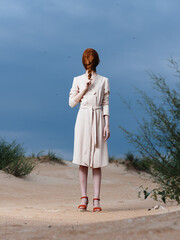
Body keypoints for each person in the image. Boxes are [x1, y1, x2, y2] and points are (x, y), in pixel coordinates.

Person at [69, 48, 110, 212]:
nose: (89, 66)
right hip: (83, 118)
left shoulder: (104, 80)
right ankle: (84, 197)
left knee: (97, 161)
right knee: (82, 159)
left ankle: (96, 199)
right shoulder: (77, 80)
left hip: (98, 118)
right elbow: (72, 103)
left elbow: (106, 102)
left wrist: (107, 124)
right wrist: (84, 89)